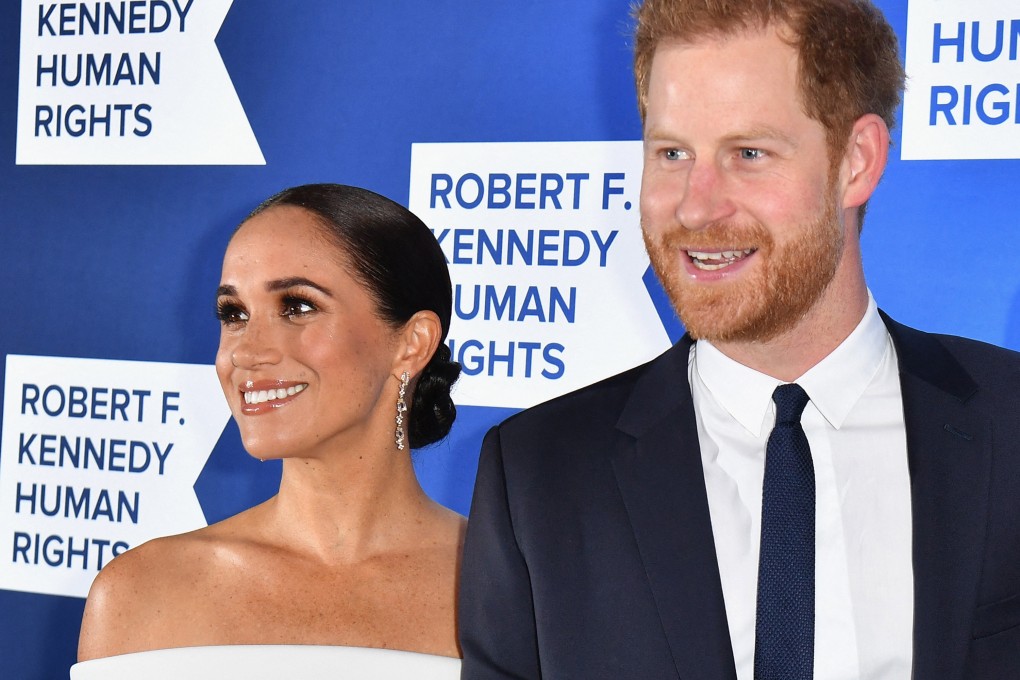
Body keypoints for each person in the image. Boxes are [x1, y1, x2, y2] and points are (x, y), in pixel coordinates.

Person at [458, 1, 1020, 679]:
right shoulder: (537, 477)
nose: (696, 206)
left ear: (857, 161)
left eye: (748, 154)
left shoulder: (1008, 422)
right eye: (671, 153)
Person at [74, 184, 464, 679]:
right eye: (234, 315)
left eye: (297, 306)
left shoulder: (516, 589)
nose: (245, 351)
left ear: (412, 343)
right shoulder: (139, 592)